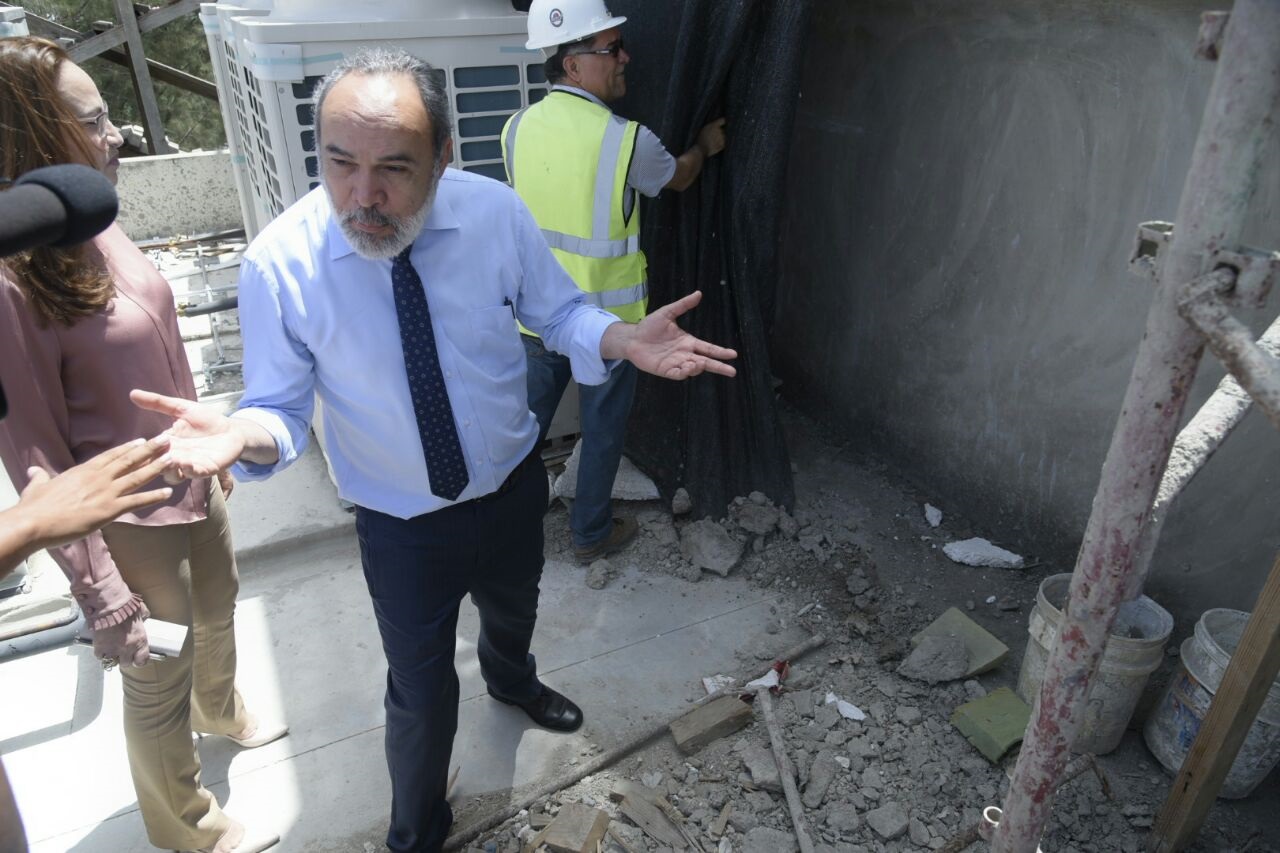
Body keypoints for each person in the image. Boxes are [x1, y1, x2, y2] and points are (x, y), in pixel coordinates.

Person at [131, 48, 735, 853]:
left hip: (512, 485)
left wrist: (620, 337)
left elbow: (557, 315)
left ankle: (514, 683)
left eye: (394, 169)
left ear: (444, 158)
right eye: (340, 164)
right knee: (418, 691)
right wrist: (244, 432)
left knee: (515, 609)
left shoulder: (493, 216)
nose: (363, 196)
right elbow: (276, 406)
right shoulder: (282, 263)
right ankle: (417, 829)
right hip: (402, 525)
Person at [0, 37, 284, 853]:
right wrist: (101, 591)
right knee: (155, 675)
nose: (117, 134)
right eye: (93, 121)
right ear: (33, 135)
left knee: (220, 606)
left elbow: (156, 331)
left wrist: (211, 439)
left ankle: (220, 707)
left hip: (192, 477)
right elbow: (36, 459)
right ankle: (183, 823)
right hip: (132, 523)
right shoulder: (14, 279)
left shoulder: (100, 216)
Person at [504, 0, 728, 563]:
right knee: (602, 434)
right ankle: (589, 534)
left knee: (520, 436)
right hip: (608, 326)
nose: (624, 57)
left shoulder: (516, 128)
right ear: (573, 65)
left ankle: (507, 536)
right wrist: (704, 146)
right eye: (610, 49)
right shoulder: (627, 140)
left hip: (534, 320)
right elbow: (678, 177)